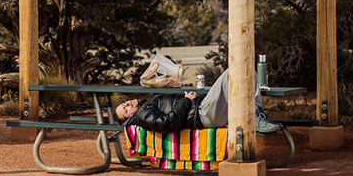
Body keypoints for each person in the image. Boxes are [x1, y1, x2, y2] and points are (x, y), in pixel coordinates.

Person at [115, 69, 280, 135]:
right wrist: (186, 100)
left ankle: (256, 114)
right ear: (129, 118)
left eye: (124, 104)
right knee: (235, 70)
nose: (127, 104)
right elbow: (167, 123)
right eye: (125, 109)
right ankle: (255, 117)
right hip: (203, 114)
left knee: (246, 68)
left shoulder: (146, 106)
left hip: (203, 108)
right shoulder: (143, 115)